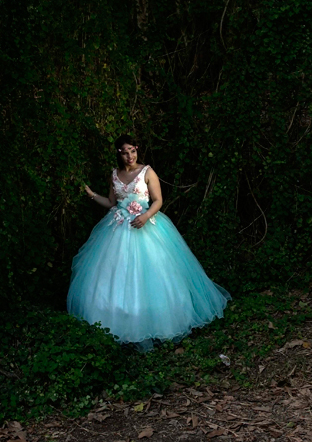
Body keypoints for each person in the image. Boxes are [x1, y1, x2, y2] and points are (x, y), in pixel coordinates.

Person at [68, 134, 231, 347]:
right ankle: (115, 322)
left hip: (146, 225)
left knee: (155, 273)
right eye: (125, 152)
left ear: (137, 150)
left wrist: (145, 216)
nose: (129, 156)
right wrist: (91, 194)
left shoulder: (147, 171)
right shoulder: (114, 174)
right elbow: (111, 202)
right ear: (119, 153)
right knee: (113, 274)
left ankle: (161, 322)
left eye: (132, 151)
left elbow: (158, 200)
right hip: (117, 229)